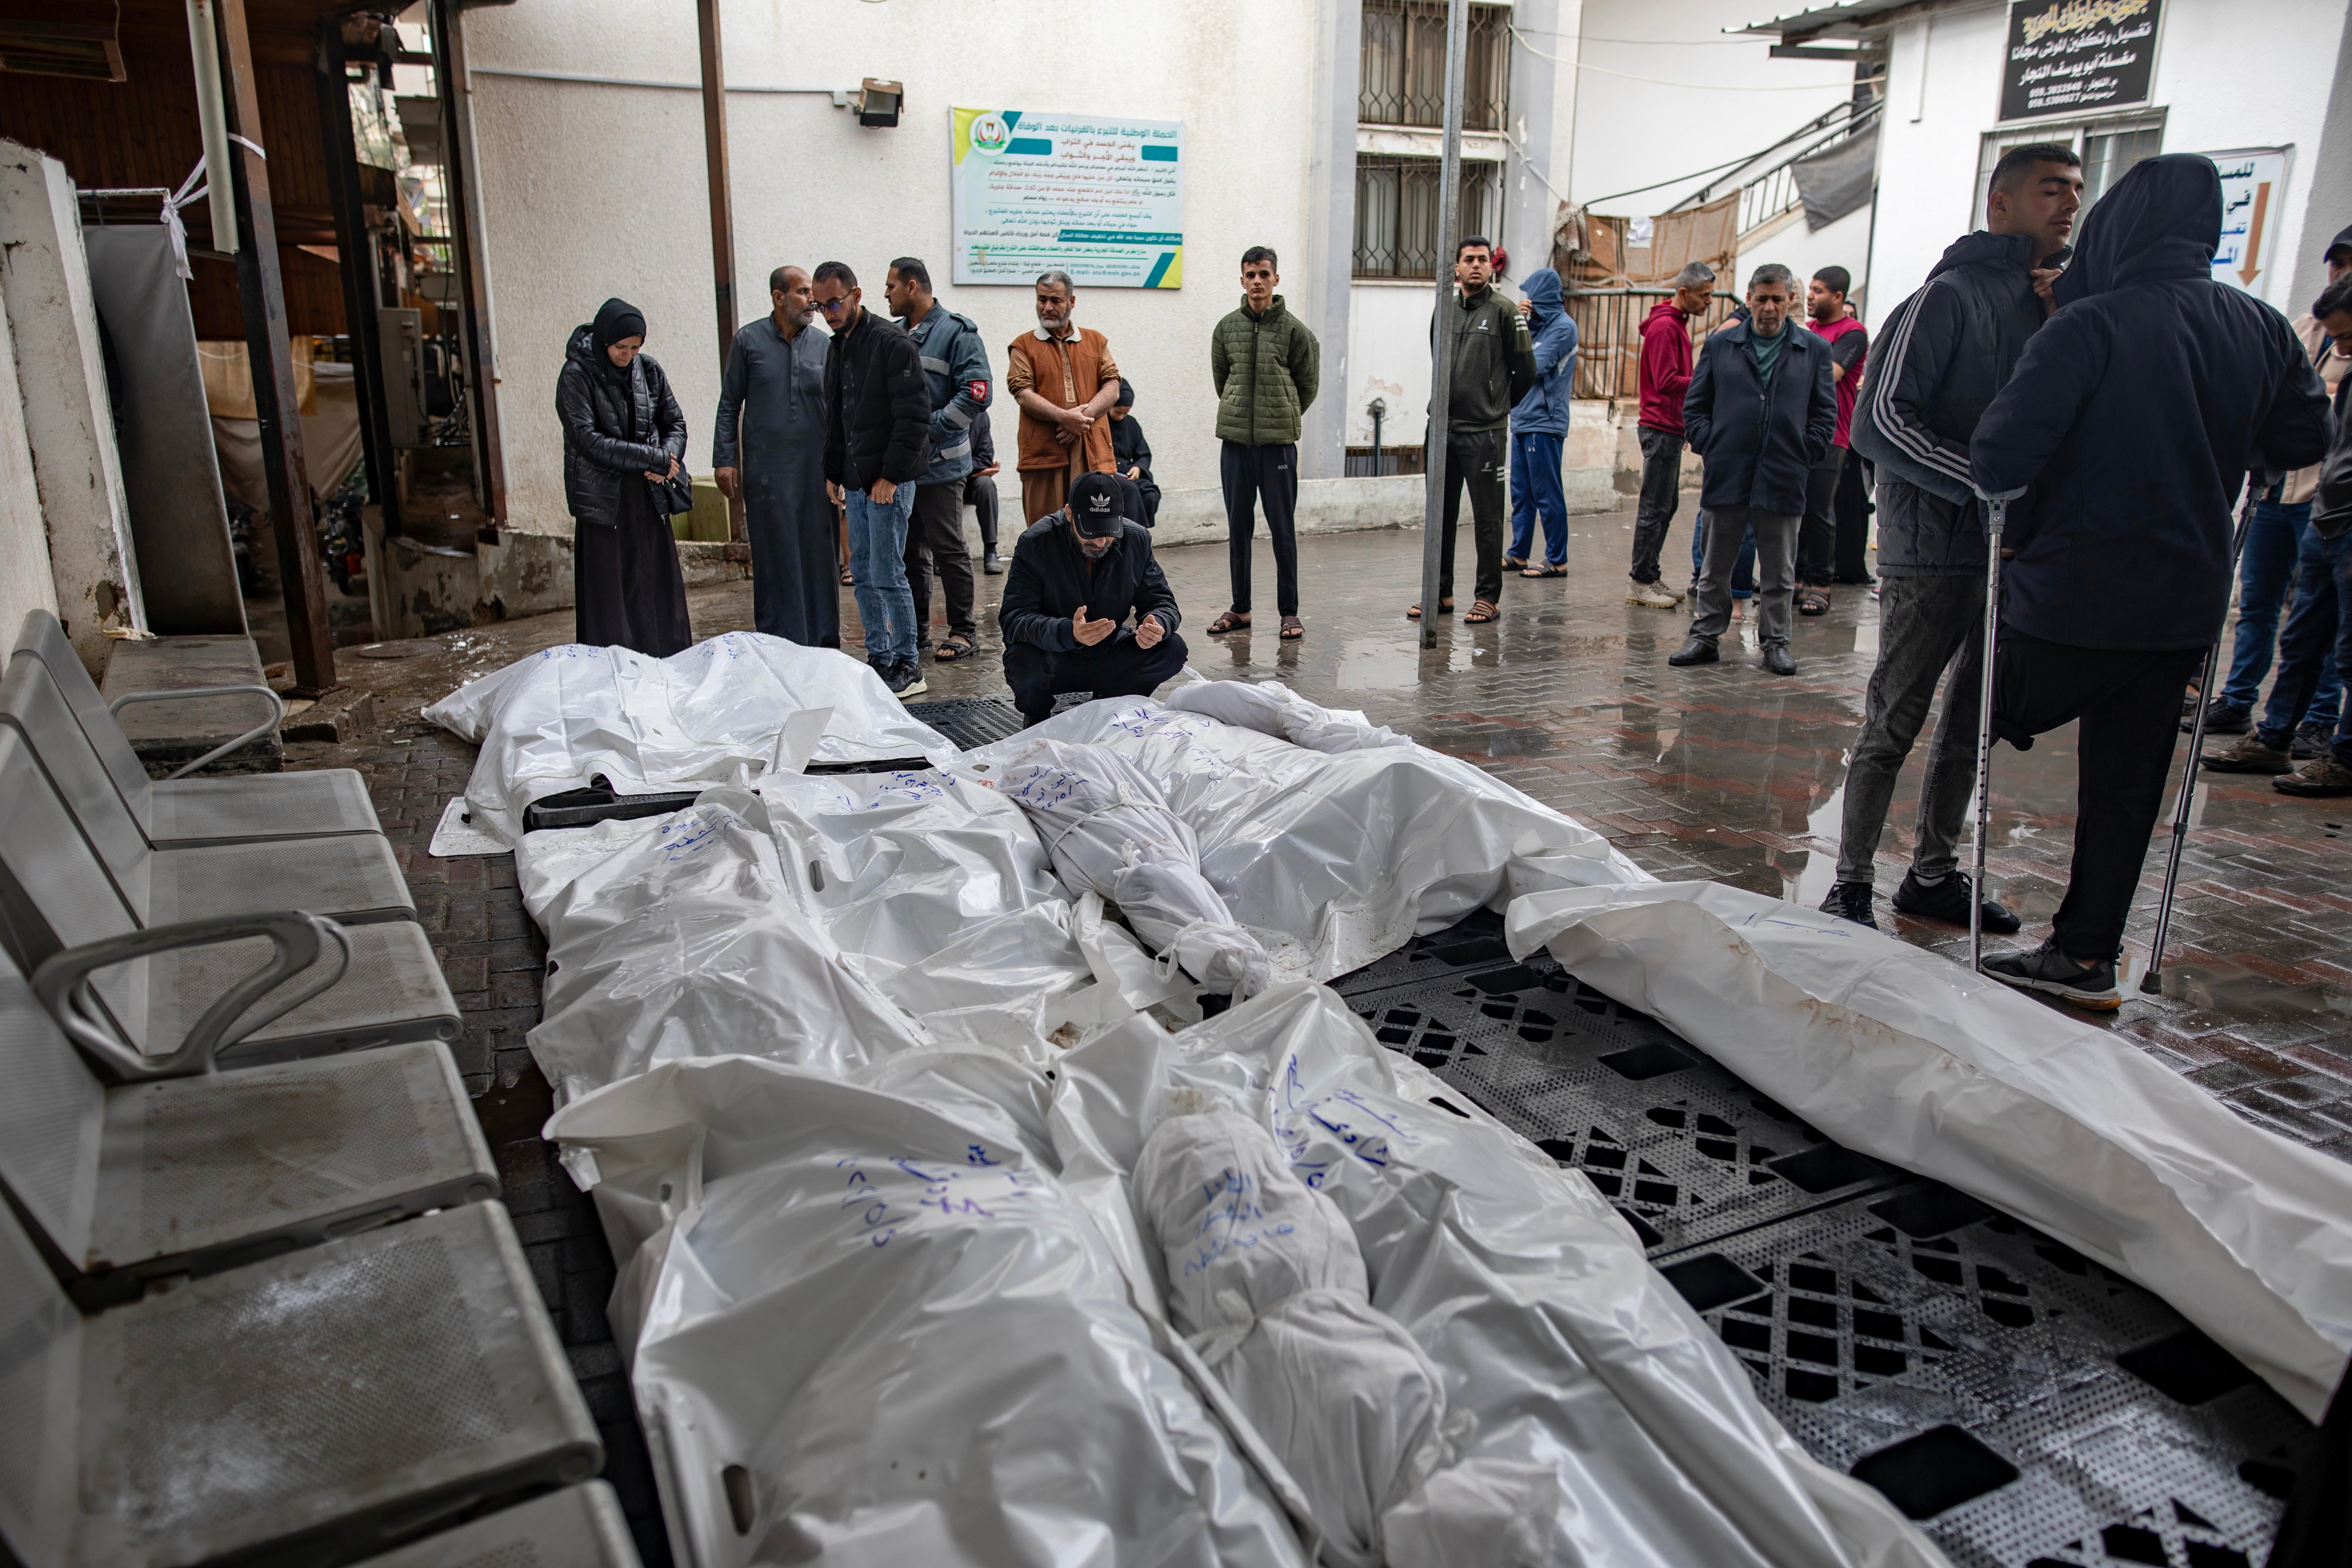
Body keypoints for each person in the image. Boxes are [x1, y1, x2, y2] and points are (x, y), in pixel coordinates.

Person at [1969, 154, 2329, 1007]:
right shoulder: (2263, 327)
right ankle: (2085, 957)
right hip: (2183, 604)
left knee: (1976, 708)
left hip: (2075, 595)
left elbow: (1999, 455)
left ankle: (1937, 874)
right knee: (2127, 783)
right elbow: (2301, 436)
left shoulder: (2093, 324)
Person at [1821, 143, 2082, 934]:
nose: (2068, 204)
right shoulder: (1948, 297)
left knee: (1973, 723)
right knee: (1893, 719)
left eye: (2076, 190)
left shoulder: (2052, 303)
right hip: (1932, 551)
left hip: (2007, 555)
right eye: (2050, 190)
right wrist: (1987, 482)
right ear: (2001, 203)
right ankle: (1851, 878)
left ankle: (1932, 873)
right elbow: (1881, 421)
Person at [2199, 224, 2352, 753]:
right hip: (2275, 493)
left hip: (2325, 504)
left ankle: (2315, 722)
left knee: (2327, 627)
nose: (2342, 273)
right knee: (2263, 608)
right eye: (2338, 263)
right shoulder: (2299, 330)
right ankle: (2244, 705)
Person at [1667, 264, 1835, 677]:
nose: (1769, 307)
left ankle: (1776, 643)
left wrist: (1804, 450)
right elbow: (1695, 405)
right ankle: (1706, 636)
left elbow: (1824, 413)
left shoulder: (1813, 350)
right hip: (1729, 472)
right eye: (1762, 299)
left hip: (1783, 474)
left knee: (1779, 571)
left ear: (1791, 300)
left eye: (1778, 298)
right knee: (1715, 566)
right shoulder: (1721, 346)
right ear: (1749, 298)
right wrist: (1711, 443)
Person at [815, 260, 933, 699]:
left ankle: (908, 662)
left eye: (835, 302)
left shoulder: (891, 341)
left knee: (888, 571)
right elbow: (838, 419)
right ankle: (880, 657)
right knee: (862, 571)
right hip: (857, 481)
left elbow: (914, 418)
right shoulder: (836, 347)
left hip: (889, 481)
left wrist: (890, 476)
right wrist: (833, 472)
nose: (829, 312)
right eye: (820, 305)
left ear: (856, 295)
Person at [1410, 236, 1536, 624]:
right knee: (1440, 516)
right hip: (1443, 430)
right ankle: (1440, 592)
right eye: (1469, 260)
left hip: (1485, 434)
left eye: (1483, 259)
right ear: (1457, 268)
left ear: (1491, 267)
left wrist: (1497, 407)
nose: (1476, 266)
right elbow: (1437, 358)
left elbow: (1526, 371)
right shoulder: (1444, 311)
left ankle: (1487, 597)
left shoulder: (1504, 312)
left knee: (1487, 518)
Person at [998, 471, 1187, 728]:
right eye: (1091, 529)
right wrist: (1068, 632)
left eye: (1108, 530)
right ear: (1068, 514)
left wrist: (1158, 625)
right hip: (1054, 656)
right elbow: (1013, 619)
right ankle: (1037, 716)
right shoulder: (1036, 543)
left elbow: (1161, 602)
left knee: (1172, 648)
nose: (1100, 541)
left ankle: (1111, 705)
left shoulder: (1136, 539)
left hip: (1109, 654)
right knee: (1022, 660)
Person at [557, 297, 692, 657]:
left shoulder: (648, 370)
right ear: (604, 340)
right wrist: (653, 458)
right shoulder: (576, 375)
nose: (628, 355)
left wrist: (670, 456)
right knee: (611, 596)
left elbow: (674, 422)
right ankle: (613, 675)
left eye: (636, 347)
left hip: (649, 497)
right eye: (621, 347)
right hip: (604, 503)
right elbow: (587, 439)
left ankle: (665, 666)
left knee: (656, 588)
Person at [713, 266, 835, 647]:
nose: (811, 300)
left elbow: (839, 408)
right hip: (767, 474)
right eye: (802, 292)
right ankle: (779, 644)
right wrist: (725, 458)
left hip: (816, 472)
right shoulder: (749, 341)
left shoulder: (824, 345)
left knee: (820, 557)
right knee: (775, 557)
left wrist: (843, 467)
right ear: (778, 297)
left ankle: (823, 645)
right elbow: (729, 403)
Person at [1208, 247, 1320, 639]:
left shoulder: (1295, 331)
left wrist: (1281, 415)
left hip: (1277, 447)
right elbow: (1223, 380)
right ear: (1242, 280)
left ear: (1276, 279)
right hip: (1236, 445)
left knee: (1282, 530)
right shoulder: (1226, 329)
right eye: (1250, 274)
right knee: (1238, 528)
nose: (1257, 281)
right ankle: (1241, 608)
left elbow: (1307, 386)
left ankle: (1289, 612)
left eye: (1264, 274)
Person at [885, 256, 993, 664]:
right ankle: (916, 634)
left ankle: (964, 631)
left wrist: (926, 430)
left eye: (891, 286)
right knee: (910, 553)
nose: (886, 294)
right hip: (902, 467)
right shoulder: (893, 335)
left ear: (913, 286)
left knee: (949, 549)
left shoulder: (957, 334)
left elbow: (978, 394)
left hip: (943, 464)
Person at [1626, 264, 1715, 608]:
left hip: (1670, 427)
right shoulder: (1666, 327)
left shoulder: (1675, 324)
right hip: (1660, 427)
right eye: (1704, 295)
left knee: (1667, 504)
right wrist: (1706, 381)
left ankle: (1649, 574)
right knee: (1654, 507)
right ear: (1683, 293)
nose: (1708, 301)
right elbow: (1666, 382)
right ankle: (1640, 581)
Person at [1008, 271, 1120, 525]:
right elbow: (1022, 392)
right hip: (1044, 457)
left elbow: (1113, 385)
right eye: (1042, 300)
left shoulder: (1096, 341)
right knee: (1046, 533)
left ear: (1071, 302)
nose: (1047, 307)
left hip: (1093, 453)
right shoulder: (1023, 346)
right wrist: (1064, 418)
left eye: (1055, 301)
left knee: (1097, 532)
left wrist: (1081, 419)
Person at [1794, 267, 1868, 615]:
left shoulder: (1852, 333)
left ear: (1838, 297)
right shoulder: (1808, 330)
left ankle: (1820, 584)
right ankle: (1793, 579)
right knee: (1793, 508)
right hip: (1796, 433)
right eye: (1809, 288)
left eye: (1819, 290)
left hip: (1831, 435)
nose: (1810, 295)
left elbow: (1832, 372)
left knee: (1819, 512)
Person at [1507, 266, 1579, 581]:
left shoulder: (1564, 328)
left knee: (1547, 493)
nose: (1527, 303)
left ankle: (1557, 560)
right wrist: (1519, 325)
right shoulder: (1534, 326)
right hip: (1522, 417)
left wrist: (1524, 328)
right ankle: (1518, 553)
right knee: (1521, 492)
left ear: (1543, 300)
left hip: (1546, 421)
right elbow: (1513, 356)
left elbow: (1533, 365)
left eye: (1531, 298)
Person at [1108, 380, 1160, 528]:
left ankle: (1142, 532)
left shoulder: (1131, 423)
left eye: (1126, 413)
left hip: (1129, 473)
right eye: (1118, 412)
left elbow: (1143, 454)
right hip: (1108, 474)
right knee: (1131, 492)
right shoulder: (1100, 423)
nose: (1121, 417)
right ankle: (1133, 536)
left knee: (1151, 496)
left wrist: (1138, 467)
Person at [967, 405, 1004, 573]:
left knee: (986, 485)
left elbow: (986, 457)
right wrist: (975, 472)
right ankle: (940, 554)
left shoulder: (980, 416)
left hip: (968, 483)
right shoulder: (940, 413)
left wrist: (975, 474)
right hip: (945, 481)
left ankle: (991, 550)